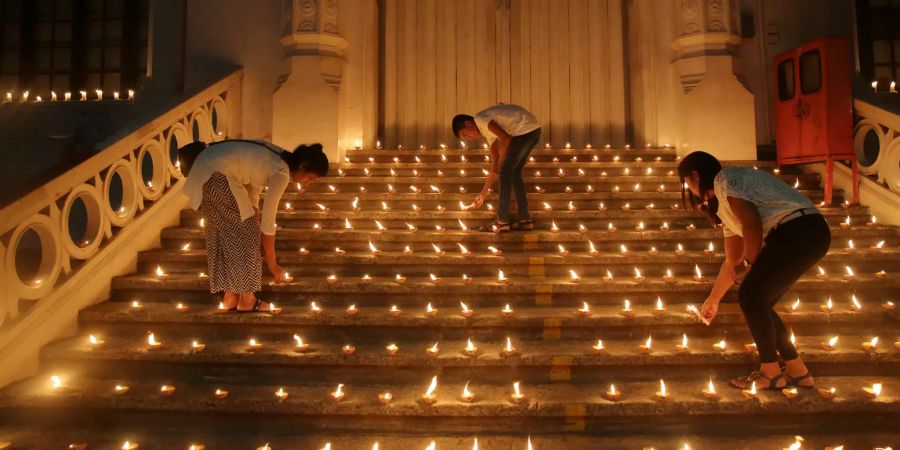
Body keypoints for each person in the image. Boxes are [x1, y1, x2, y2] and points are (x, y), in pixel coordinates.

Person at [679, 151, 830, 390]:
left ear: (695, 175)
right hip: (807, 233)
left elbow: (751, 225)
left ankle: (770, 371)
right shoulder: (724, 208)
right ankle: (798, 371)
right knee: (759, 300)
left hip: (798, 229)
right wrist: (713, 300)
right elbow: (732, 259)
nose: (689, 188)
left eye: (687, 182)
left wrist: (750, 266)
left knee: (752, 296)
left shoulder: (726, 180)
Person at [182, 140, 328, 312]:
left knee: (222, 232)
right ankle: (247, 299)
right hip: (218, 175)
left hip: (204, 170)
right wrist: (272, 263)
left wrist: (253, 208)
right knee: (249, 233)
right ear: (303, 166)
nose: (307, 183)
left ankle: (231, 295)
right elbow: (268, 222)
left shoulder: (276, 156)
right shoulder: (282, 172)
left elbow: (253, 181)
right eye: (310, 178)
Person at [452, 104, 542, 233]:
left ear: (468, 124)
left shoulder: (480, 119)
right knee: (514, 173)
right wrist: (483, 193)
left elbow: (505, 138)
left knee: (505, 172)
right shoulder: (486, 131)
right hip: (533, 130)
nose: (469, 139)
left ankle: (502, 221)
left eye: (466, 135)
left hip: (524, 130)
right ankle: (525, 220)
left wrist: (500, 164)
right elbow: (494, 162)